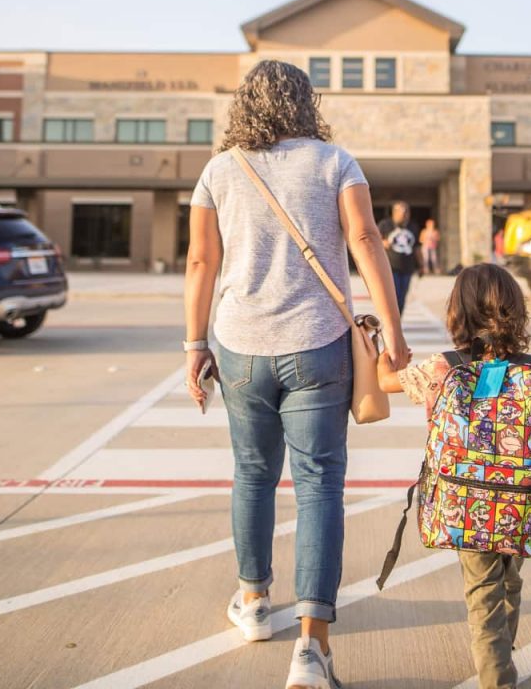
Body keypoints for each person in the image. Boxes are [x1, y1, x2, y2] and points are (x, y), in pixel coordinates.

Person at [183, 60, 410, 689]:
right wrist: (392, 333)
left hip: (240, 345)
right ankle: (312, 649)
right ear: (306, 102)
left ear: (244, 105)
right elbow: (365, 239)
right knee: (318, 486)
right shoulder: (335, 161)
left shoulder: (219, 169)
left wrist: (192, 344)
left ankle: (253, 601)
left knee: (253, 475)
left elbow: (202, 259)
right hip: (319, 345)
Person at [376, 263, 531, 689]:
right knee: (508, 577)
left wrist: (380, 352)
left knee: (483, 593)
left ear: (456, 314)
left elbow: (385, 381)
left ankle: (497, 678)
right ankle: (502, 652)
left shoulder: (443, 368)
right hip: (522, 504)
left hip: (465, 505)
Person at [378, 201, 421, 314]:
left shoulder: (413, 226)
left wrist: (422, 265)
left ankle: (398, 320)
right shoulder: (385, 225)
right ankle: (391, 320)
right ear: (394, 213)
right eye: (402, 212)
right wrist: (383, 242)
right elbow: (373, 241)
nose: (405, 214)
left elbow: (417, 247)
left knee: (402, 296)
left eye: (407, 211)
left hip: (407, 268)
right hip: (391, 267)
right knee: (393, 295)